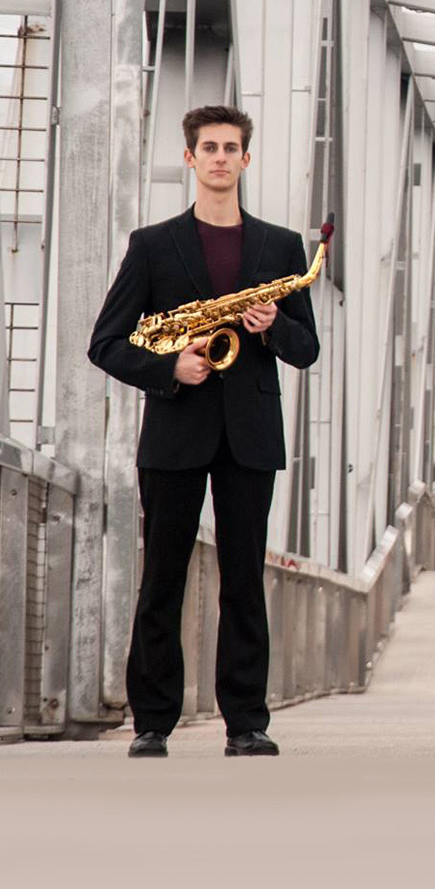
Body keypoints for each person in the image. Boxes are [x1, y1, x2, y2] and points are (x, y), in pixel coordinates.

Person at [89, 106, 320, 758]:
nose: (220, 158)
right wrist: (169, 368)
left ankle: (246, 723)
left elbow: (307, 349)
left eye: (231, 148)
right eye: (209, 148)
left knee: (244, 581)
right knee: (162, 579)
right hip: (175, 429)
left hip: (251, 434)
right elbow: (106, 343)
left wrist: (273, 327)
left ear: (247, 159)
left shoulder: (281, 248)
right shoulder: (152, 245)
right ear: (190, 158)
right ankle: (151, 724)